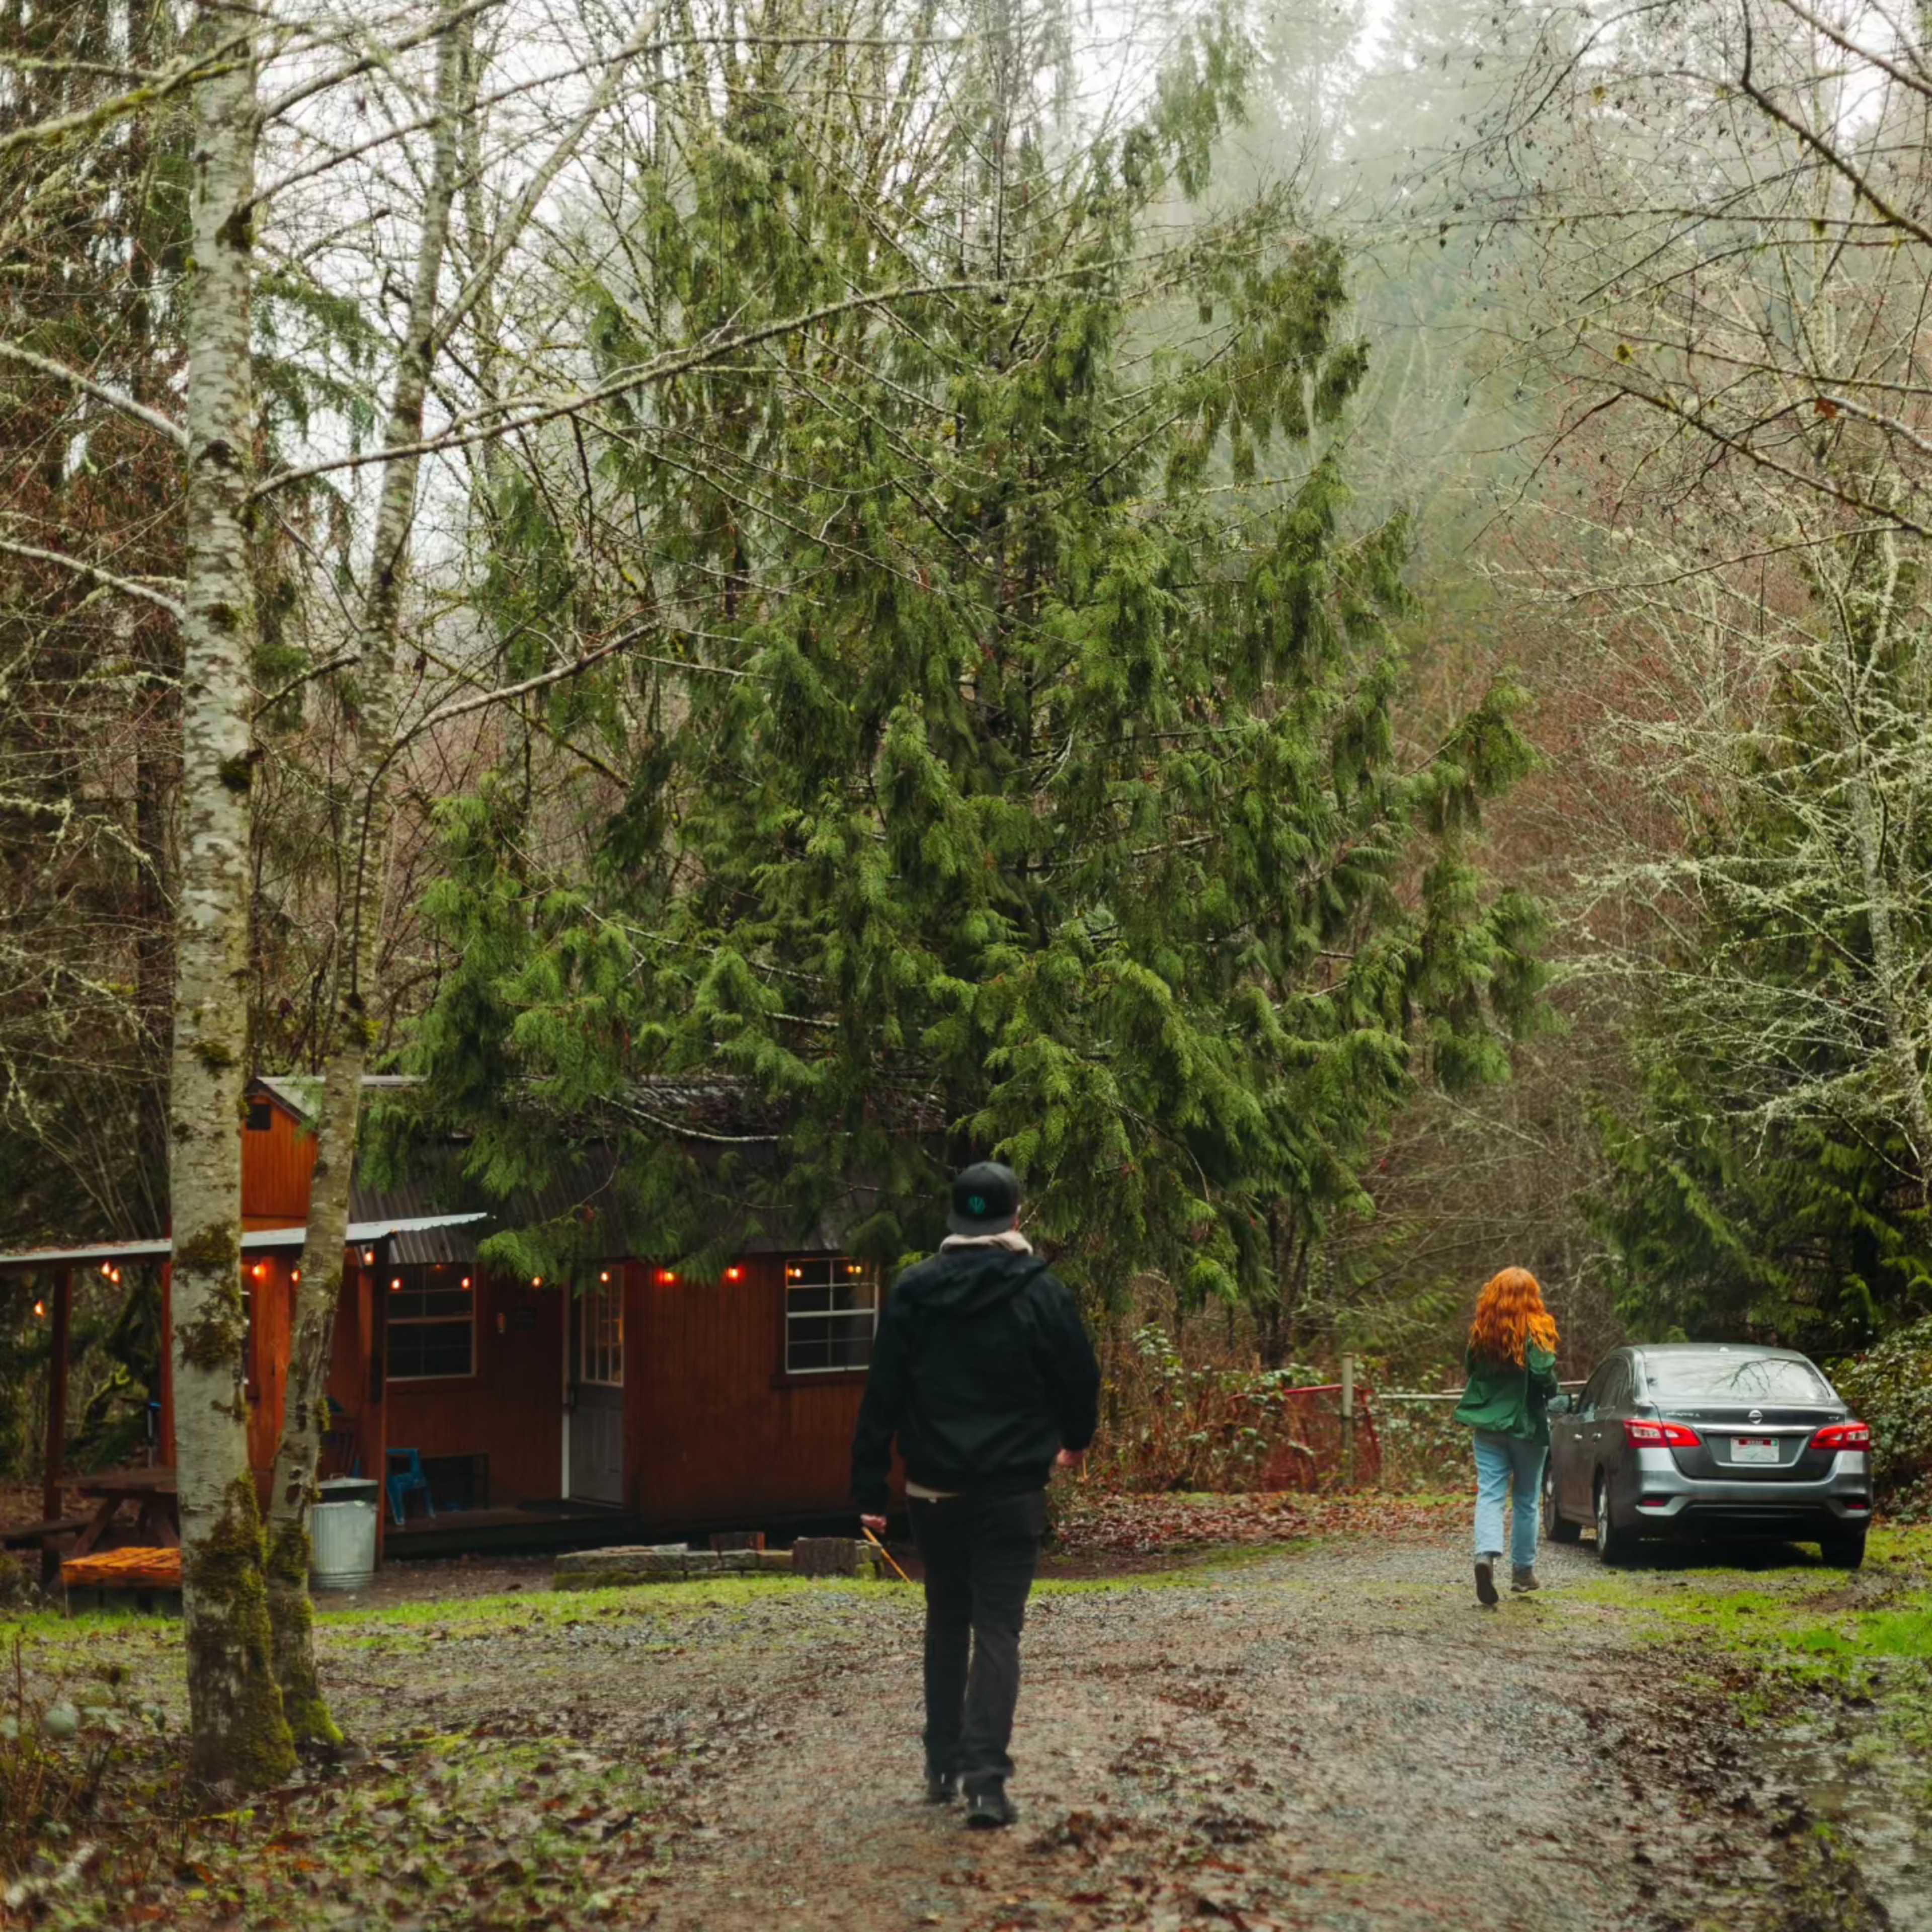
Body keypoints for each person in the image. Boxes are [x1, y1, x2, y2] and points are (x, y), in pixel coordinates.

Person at [851, 1161, 1100, 1830]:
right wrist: (1075, 1440)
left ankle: (941, 1763)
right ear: (1016, 1217)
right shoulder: (1042, 1293)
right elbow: (1079, 1374)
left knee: (947, 1618)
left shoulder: (913, 1292)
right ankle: (986, 1785)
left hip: (935, 1488)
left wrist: (870, 1487)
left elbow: (883, 1394)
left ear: (956, 1220)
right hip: (1013, 1488)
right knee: (998, 1628)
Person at [1452, 1266, 1567, 1607]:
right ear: (1532, 1298)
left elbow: (1473, 1369)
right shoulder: (1538, 1331)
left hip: (1488, 1425)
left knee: (1490, 1493)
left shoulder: (1483, 1331)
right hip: (1526, 1426)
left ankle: (1485, 1556)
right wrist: (1552, 1391)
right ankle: (1522, 1572)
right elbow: (1544, 1375)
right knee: (1527, 1498)